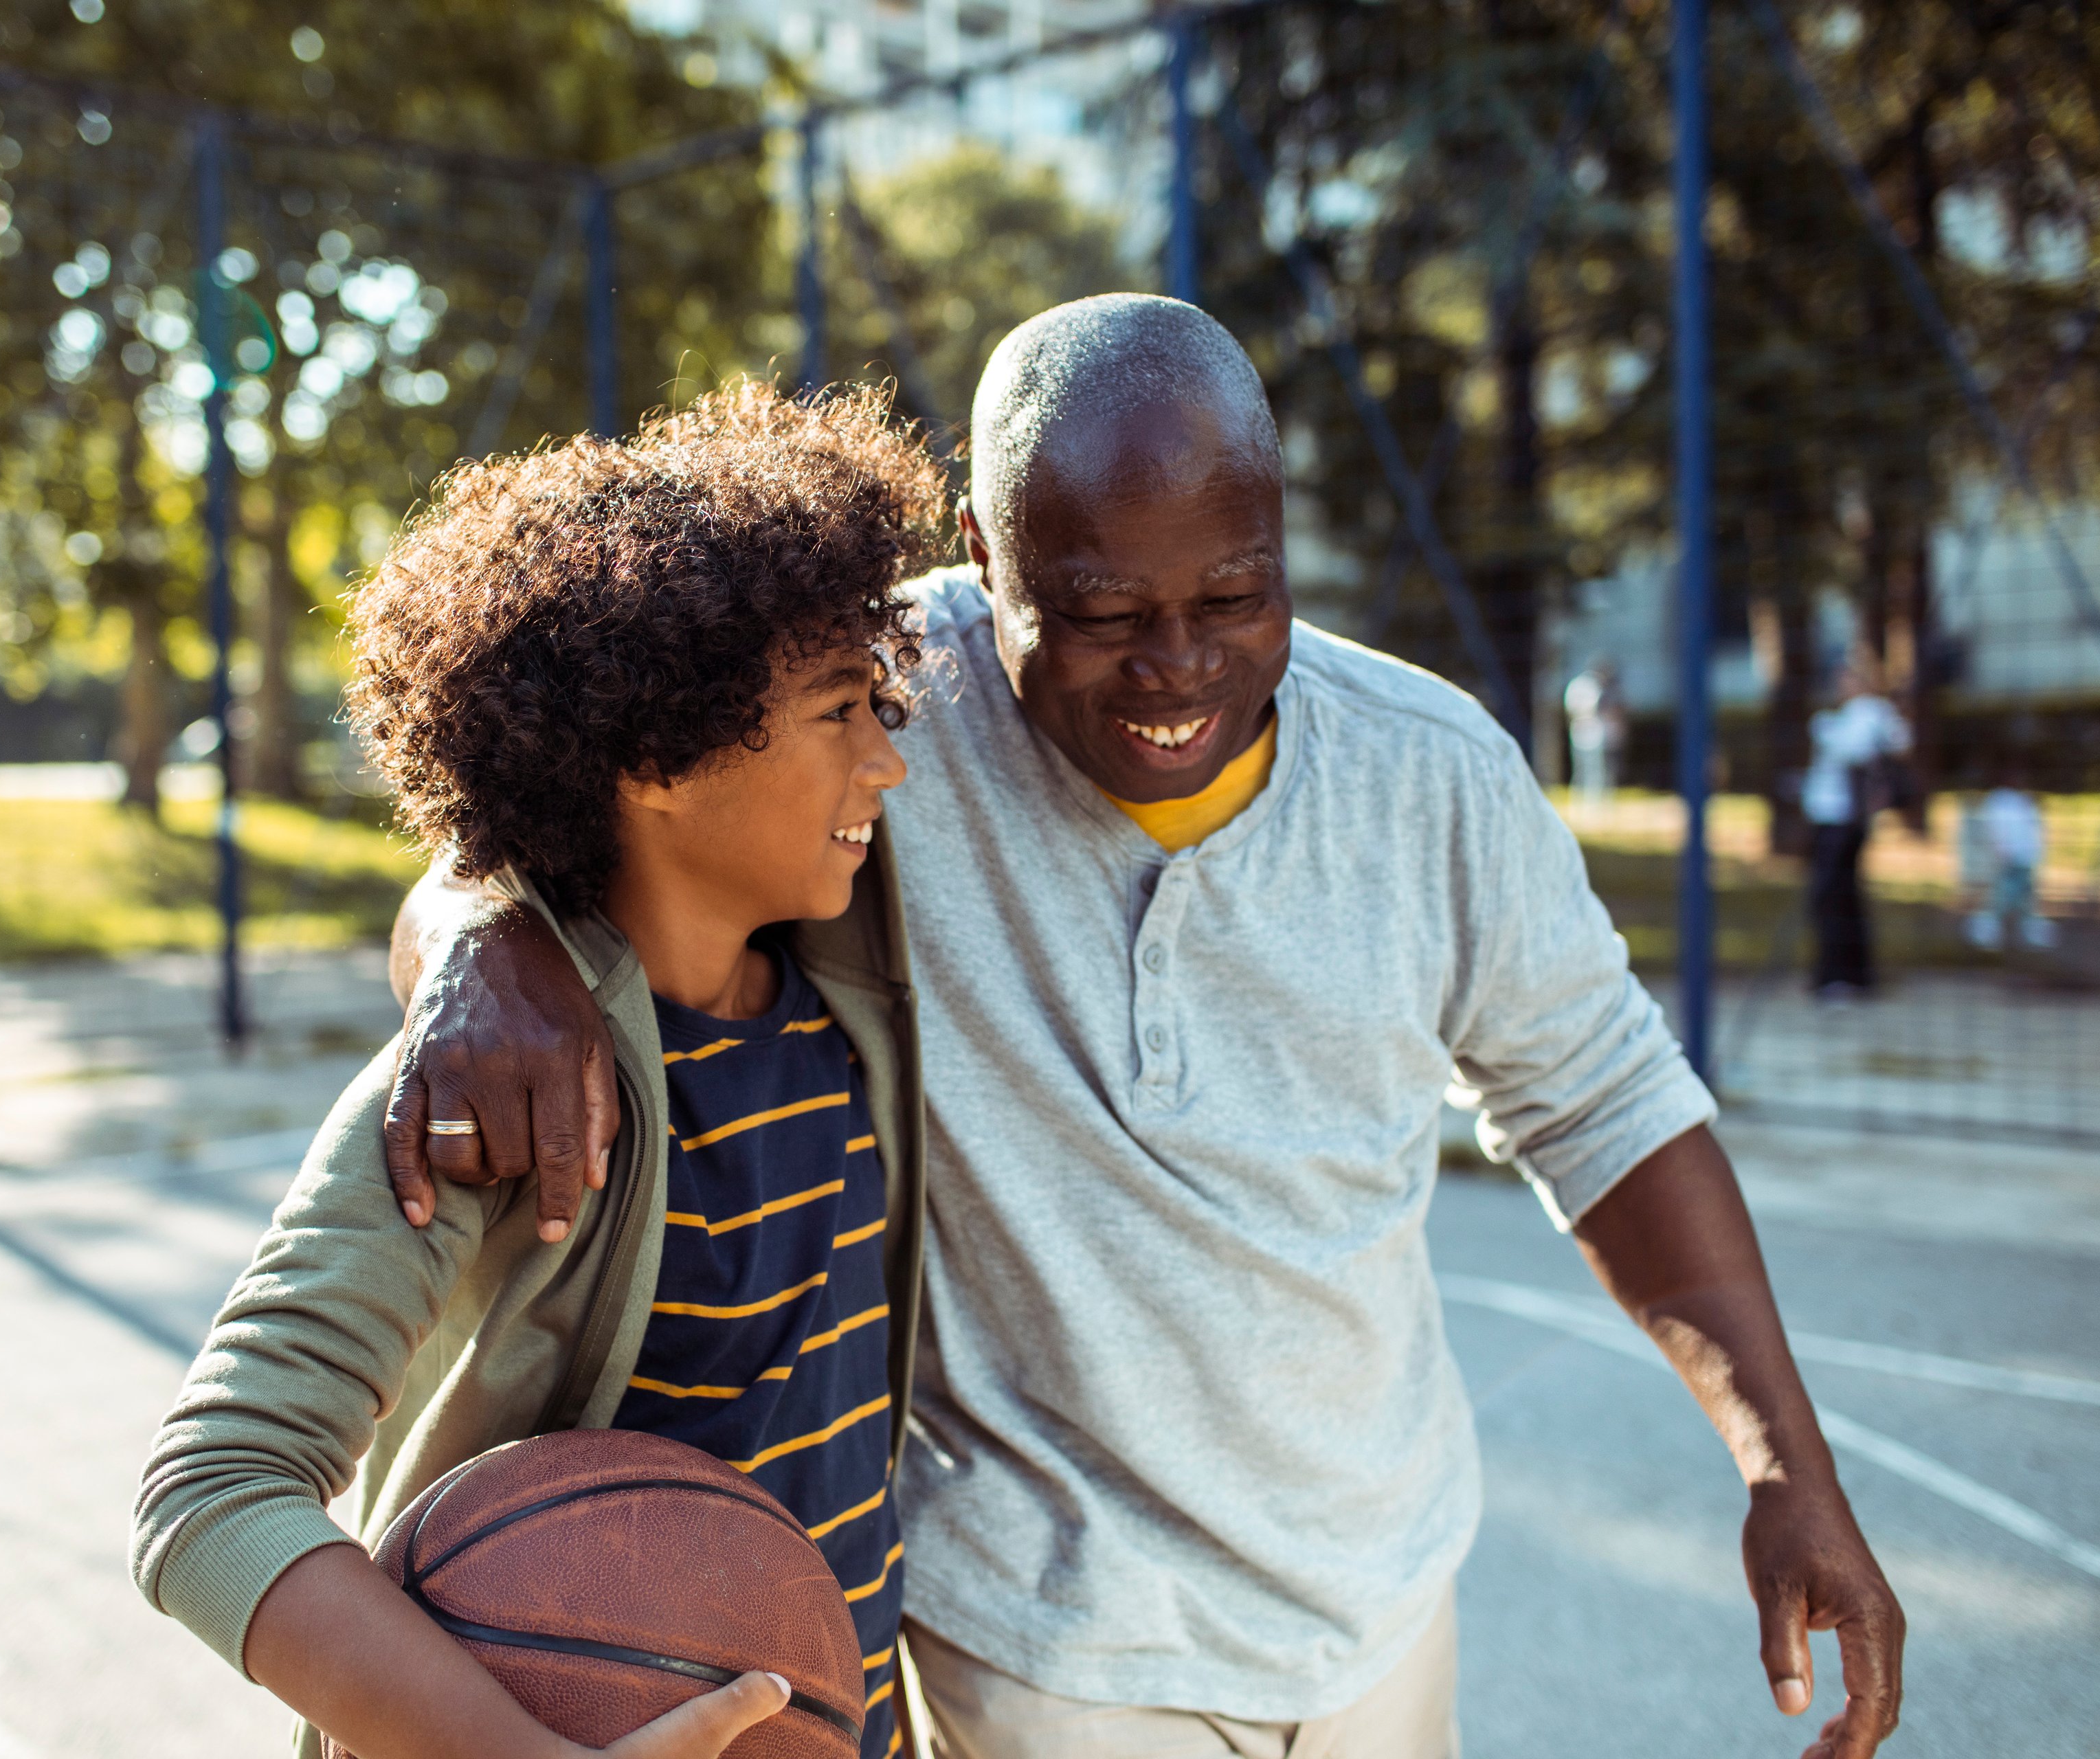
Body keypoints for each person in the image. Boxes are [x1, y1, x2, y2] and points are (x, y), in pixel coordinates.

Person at [387, 296, 1904, 1759]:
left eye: (1237, 595)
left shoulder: (1434, 775)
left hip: (1381, 1600)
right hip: (1049, 1644)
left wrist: (1787, 1465)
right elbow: (556, 813)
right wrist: (484, 936)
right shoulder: (873, 722)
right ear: (985, 559)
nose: (1179, 665)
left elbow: (1608, 1102)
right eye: (1105, 613)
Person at [130, 381, 946, 1759]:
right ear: (655, 756)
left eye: (884, 701)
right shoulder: (491, 1090)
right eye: (835, 713)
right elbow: (210, 1491)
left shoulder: (847, 978)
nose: (890, 760)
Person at [1802, 651, 1912, 998]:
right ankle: (1854, 975)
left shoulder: (1866, 712)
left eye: (1846, 677)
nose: (1840, 684)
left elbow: (1855, 750)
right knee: (1843, 896)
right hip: (1837, 817)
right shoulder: (1866, 714)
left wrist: (1823, 728)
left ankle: (1839, 976)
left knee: (1834, 898)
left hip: (1841, 819)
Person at [1965, 767, 2052, 951]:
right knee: (2002, 898)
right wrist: (2001, 852)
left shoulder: (2022, 802)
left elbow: (2032, 830)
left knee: (2023, 899)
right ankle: (1986, 932)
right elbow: (1996, 829)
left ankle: (2023, 933)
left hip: (2024, 859)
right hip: (2009, 858)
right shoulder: (2000, 801)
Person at [1563, 660, 1625, 809]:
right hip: (1588, 732)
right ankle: (1590, 803)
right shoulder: (1592, 687)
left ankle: (1589, 803)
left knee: (1587, 769)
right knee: (1590, 770)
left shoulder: (1577, 685)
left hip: (1586, 732)